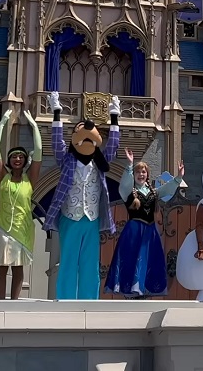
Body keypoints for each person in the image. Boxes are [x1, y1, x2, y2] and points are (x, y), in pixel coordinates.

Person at [43, 91, 120, 300]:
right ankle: (66, 300)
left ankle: (89, 302)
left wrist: (114, 119)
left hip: (92, 219)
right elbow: (56, 143)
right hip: (71, 217)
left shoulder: (100, 163)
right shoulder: (67, 160)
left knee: (90, 263)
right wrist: (56, 114)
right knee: (68, 261)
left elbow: (112, 147)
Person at [104, 149, 184, 298]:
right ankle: (132, 290)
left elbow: (166, 190)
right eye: (138, 172)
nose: (141, 175)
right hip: (134, 231)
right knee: (132, 258)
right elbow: (124, 184)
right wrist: (129, 165)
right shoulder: (129, 191)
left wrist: (178, 178)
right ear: (134, 175)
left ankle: (144, 290)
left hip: (150, 231)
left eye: (144, 172)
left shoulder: (153, 192)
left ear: (147, 174)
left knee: (149, 259)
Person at [0, 110, 40, 300]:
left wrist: (34, 126)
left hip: (22, 228)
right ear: (9, 160)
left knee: (18, 267)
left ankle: (13, 304)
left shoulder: (30, 179)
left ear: (25, 161)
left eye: (21, 157)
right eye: (14, 156)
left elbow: (39, 152)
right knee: (1, 266)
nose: (17, 159)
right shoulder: (2, 178)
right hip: (2, 227)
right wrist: (3, 122)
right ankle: (0, 302)